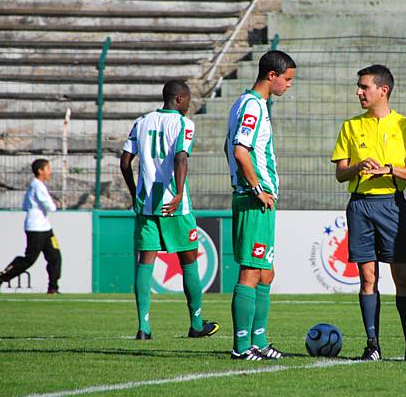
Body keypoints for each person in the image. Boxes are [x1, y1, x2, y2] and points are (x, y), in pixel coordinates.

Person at [331, 64, 406, 362]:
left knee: (401, 275)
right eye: (359, 87)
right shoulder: (350, 125)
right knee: (367, 277)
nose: (359, 92)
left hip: (391, 204)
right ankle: (372, 345)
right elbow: (339, 173)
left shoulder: (405, 126)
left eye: (364, 87)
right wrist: (358, 167)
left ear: (382, 90)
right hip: (359, 205)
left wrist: (388, 169)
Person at [120, 79, 219, 340]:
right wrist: (177, 192)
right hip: (175, 205)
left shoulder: (141, 121)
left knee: (145, 263)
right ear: (178, 99)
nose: (189, 104)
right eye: (187, 99)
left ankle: (144, 327)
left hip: (146, 203)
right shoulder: (184, 124)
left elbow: (125, 162)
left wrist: (134, 192)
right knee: (188, 262)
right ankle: (196, 324)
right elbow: (180, 157)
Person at [224, 50, 296, 360]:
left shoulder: (252, 104)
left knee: (266, 272)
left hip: (259, 200)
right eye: (288, 79)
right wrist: (256, 188)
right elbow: (241, 151)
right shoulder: (252, 105)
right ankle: (241, 346)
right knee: (252, 271)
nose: (289, 85)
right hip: (254, 199)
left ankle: (260, 341)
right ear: (272, 75)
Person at [0, 159, 62, 294]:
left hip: (46, 229)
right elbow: (50, 207)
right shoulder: (37, 186)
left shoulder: (37, 185)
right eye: (48, 169)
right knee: (29, 259)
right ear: (40, 171)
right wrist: (55, 204)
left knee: (55, 256)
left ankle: (53, 288)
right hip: (36, 229)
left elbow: (26, 205)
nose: (50, 172)